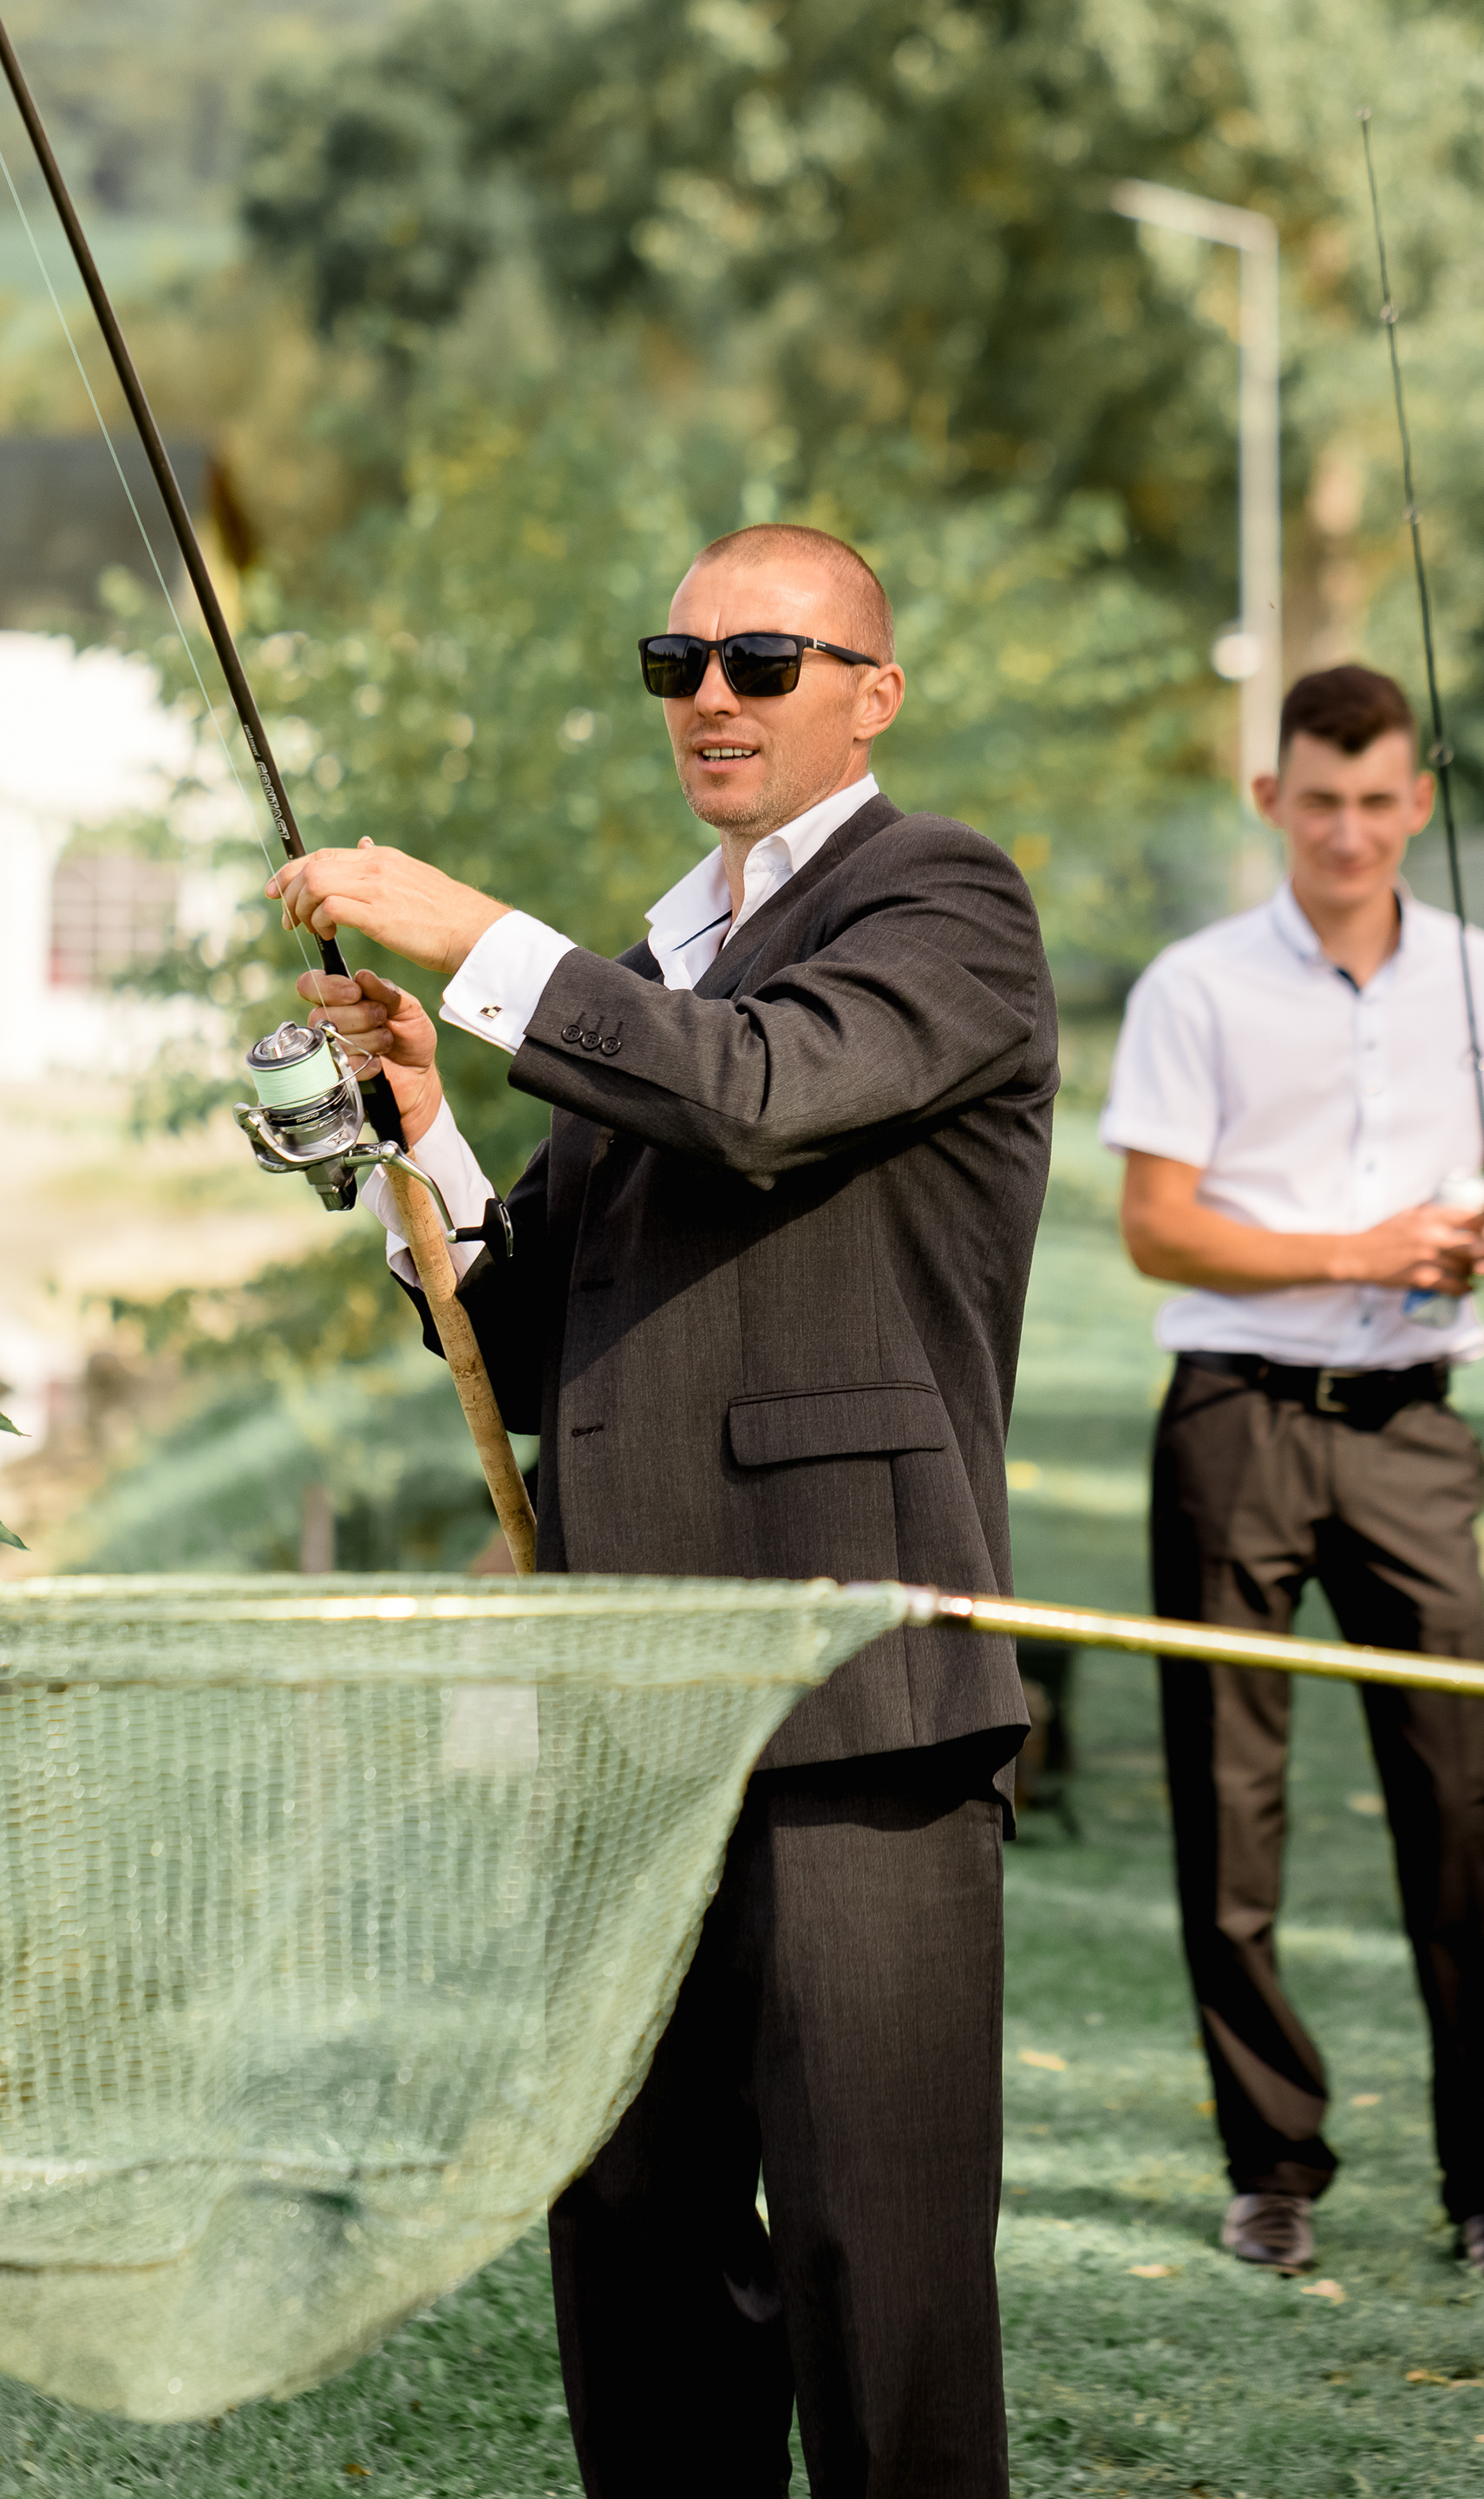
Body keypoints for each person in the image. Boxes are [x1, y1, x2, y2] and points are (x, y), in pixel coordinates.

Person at [268, 521, 1058, 2496]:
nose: (711, 693)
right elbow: (534, 1341)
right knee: (638, 2254)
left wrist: (479, 941)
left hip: (855, 1695)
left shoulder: (943, 897)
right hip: (623, 1713)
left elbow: (763, 1093)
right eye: (677, 661)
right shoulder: (647, 976)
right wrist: (429, 1131)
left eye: (762, 661)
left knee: (881, 2276)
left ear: (871, 694)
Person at [1100, 664, 1484, 2293]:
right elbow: (1159, 1226)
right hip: (1233, 1418)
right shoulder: (1195, 985)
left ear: (1418, 803)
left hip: (1412, 1437)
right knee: (1230, 1807)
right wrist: (1358, 1247)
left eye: (1380, 803)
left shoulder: (1482, 975)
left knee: (1458, 1805)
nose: (1351, 833)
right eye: (1321, 800)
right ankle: (1272, 2169)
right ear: (1273, 799)